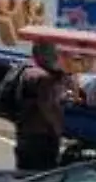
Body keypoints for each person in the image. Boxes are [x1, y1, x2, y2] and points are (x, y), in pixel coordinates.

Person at [12, 42, 67, 172]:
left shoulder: (26, 71)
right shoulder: (43, 77)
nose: (56, 57)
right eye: (54, 54)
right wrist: (57, 128)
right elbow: (46, 106)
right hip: (41, 136)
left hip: (24, 132)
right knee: (41, 175)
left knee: (23, 172)